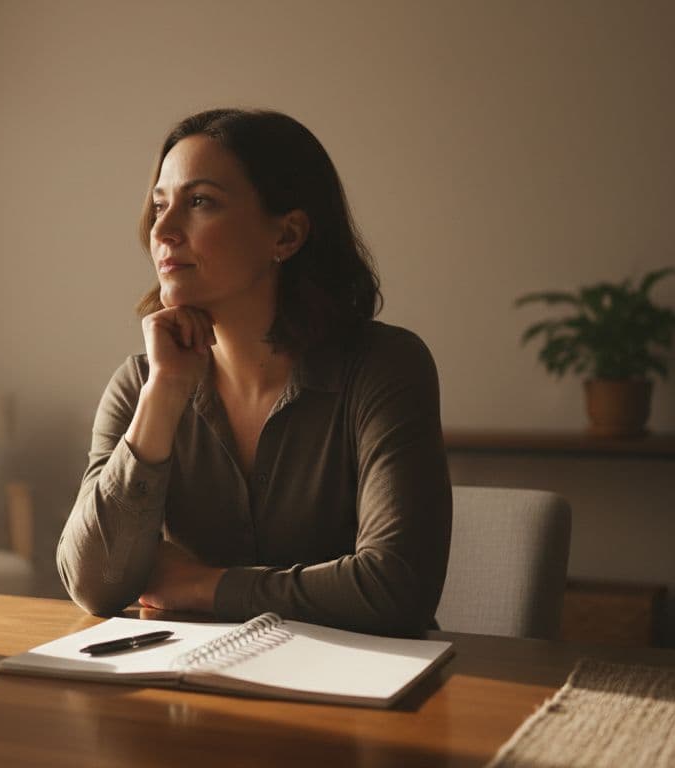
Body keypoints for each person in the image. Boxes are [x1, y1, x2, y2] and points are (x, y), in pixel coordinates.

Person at [56, 108, 451, 638]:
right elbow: (93, 584)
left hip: (366, 699)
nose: (163, 230)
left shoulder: (383, 368)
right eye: (158, 206)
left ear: (286, 235)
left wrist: (203, 585)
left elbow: (397, 588)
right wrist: (166, 392)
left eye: (199, 203)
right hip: (196, 692)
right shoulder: (142, 384)